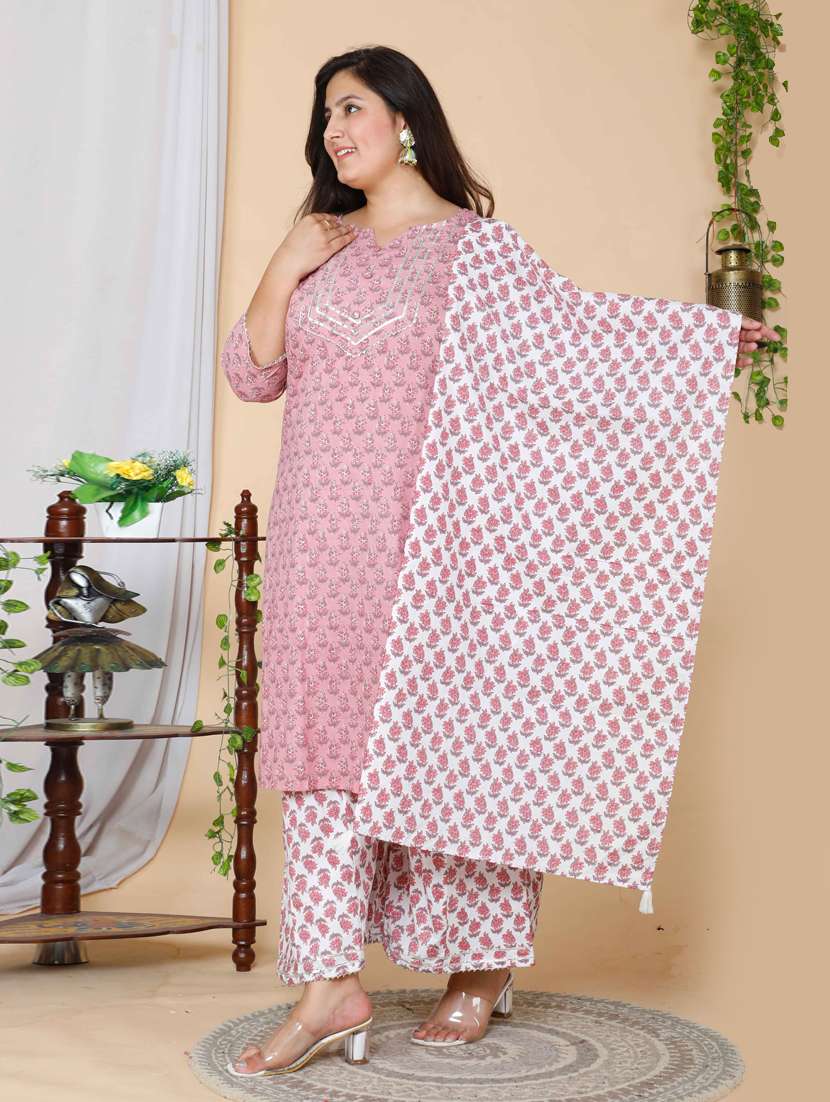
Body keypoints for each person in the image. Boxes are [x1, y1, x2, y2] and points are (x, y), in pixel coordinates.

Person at [219, 45, 775, 1079]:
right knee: (321, 750)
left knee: (454, 743)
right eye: (325, 114)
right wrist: (285, 262)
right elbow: (252, 376)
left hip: (439, 545)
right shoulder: (322, 246)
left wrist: (693, 348)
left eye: (353, 108)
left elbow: (573, 345)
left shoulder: (475, 250)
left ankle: (478, 968)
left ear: (405, 120)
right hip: (319, 545)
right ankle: (331, 984)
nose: (334, 130)